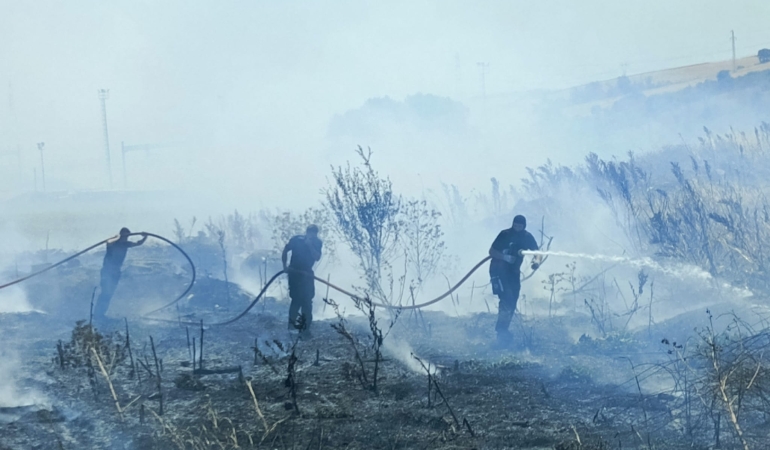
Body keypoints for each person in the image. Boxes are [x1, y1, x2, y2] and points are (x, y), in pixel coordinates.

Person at [488, 214, 542, 347]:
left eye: (520, 226)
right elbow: (491, 251)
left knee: (513, 299)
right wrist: (505, 257)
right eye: (515, 225)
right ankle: (501, 331)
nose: (517, 228)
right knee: (506, 298)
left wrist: (536, 262)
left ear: (524, 226)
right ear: (512, 224)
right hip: (498, 272)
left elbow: (538, 253)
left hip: (513, 273)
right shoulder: (504, 234)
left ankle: (503, 328)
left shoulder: (527, 237)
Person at [93, 227, 148, 323]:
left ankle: (100, 314)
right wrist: (117, 237)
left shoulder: (125, 244)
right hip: (107, 271)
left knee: (109, 293)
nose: (126, 238)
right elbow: (108, 242)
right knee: (105, 292)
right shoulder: (114, 243)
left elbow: (138, 243)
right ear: (121, 235)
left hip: (116, 272)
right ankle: (98, 315)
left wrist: (144, 237)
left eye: (127, 236)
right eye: (125, 236)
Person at [282, 224, 323, 338]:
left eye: (314, 233)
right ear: (307, 232)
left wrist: (310, 246)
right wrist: (285, 266)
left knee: (307, 300)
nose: (312, 235)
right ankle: (291, 327)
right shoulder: (296, 240)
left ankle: (305, 329)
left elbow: (317, 257)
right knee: (296, 300)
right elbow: (285, 250)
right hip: (294, 273)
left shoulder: (317, 243)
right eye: (310, 232)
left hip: (307, 274)